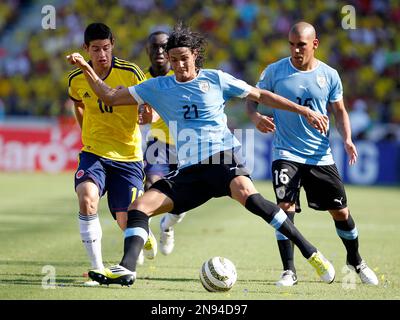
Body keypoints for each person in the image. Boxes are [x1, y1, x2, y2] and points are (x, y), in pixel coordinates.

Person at [67, 23, 333, 287]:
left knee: (250, 198)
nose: (179, 66)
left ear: (194, 54)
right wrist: (86, 68)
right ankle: (127, 269)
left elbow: (261, 94)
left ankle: (312, 253)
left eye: (183, 59)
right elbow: (110, 96)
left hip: (222, 158)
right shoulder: (158, 86)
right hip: (190, 170)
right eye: (173, 61)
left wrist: (306, 111)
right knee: (139, 208)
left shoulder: (216, 78)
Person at [246, 21, 378, 286]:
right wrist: (255, 115)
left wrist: (348, 139)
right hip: (286, 152)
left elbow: (339, 110)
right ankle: (289, 271)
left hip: (320, 155)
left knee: (340, 213)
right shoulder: (274, 71)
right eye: (292, 45)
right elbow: (253, 96)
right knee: (284, 208)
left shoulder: (329, 75)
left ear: (314, 45)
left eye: (301, 45)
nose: (296, 50)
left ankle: (356, 260)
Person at [67, 23, 157, 284]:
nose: (102, 54)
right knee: (86, 197)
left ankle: (144, 234)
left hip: (128, 156)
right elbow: (79, 103)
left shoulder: (130, 73)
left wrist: (146, 113)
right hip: (94, 152)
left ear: (112, 45)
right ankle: (96, 269)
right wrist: (86, 131)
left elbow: (149, 109)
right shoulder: (75, 79)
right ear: (86, 49)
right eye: (95, 49)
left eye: (106, 48)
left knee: (125, 221)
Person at [142, 31, 186, 256]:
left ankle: (167, 226)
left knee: (183, 199)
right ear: (147, 51)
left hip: (186, 146)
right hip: (158, 142)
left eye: (163, 47)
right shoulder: (140, 80)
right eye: (154, 47)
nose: (159, 51)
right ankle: (143, 232)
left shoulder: (182, 76)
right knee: (151, 184)